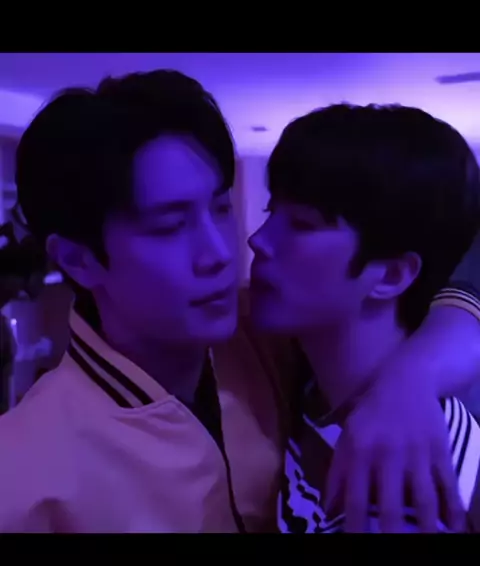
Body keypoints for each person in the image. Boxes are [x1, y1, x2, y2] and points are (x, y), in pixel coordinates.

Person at [0, 72, 478, 531]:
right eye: (171, 226)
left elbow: (441, 261)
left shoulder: (269, 334)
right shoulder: (23, 472)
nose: (224, 252)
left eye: (222, 207)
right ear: (79, 260)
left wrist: (410, 381)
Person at [248, 103, 480, 532]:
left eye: (302, 224)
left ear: (391, 275)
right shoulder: (308, 388)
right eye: (270, 213)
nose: (257, 240)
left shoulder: (417, 473)